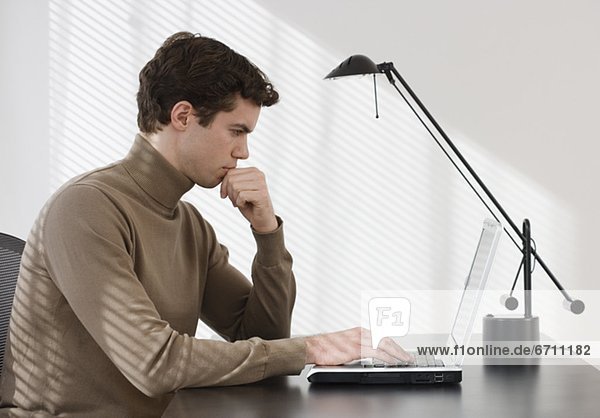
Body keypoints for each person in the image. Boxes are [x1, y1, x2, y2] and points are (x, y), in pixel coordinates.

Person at [0, 32, 410, 417]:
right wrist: (312, 348)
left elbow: (262, 335)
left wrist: (268, 235)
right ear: (182, 116)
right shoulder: (85, 208)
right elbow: (154, 363)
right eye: (236, 131)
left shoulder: (189, 223)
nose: (243, 152)